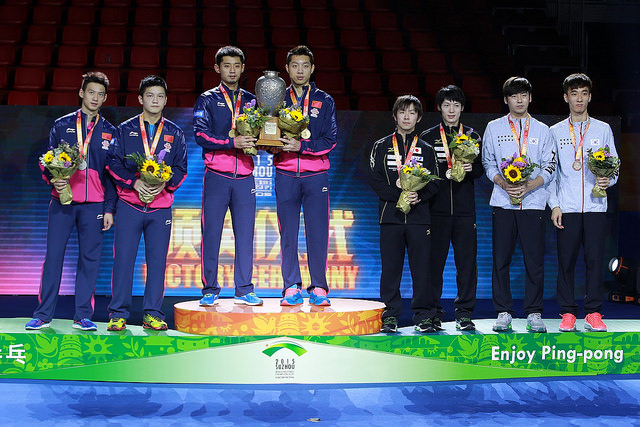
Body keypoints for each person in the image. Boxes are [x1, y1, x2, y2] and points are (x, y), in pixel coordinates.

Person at [26, 72, 117, 331]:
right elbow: (46, 161)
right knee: (53, 257)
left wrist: (109, 208)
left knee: (90, 260)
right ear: (81, 93)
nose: (95, 98)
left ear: (105, 98)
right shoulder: (61, 125)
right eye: (91, 92)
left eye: (100, 94)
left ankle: (83, 316)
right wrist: (52, 180)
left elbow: (111, 176)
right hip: (62, 202)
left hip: (94, 205)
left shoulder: (110, 132)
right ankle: (43, 315)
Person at [106, 75, 187, 331]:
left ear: (165, 100)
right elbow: (112, 163)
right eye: (150, 96)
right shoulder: (125, 129)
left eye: (160, 96)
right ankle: (118, 313)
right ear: (141, 99)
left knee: (157, 262)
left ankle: (152, 313)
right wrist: (134, 183)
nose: (155, 100)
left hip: (160, 207)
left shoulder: (175, 132)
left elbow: (181, 169)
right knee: (123, 261)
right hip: (130, 205)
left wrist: (164, 184)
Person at [482, 76, 555, 333]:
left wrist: (530, 185)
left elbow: (549, 166)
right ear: (506, 100)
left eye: (523, 95)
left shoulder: (543, 130)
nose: (519, 100)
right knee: (501, 259)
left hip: (534, 203)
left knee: (534, 261)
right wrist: (503, 183)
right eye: (514, 96)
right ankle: (503, 311)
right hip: (503, 203)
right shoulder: (493, 128)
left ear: (530, 98)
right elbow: (488, 163)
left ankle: (534, 312)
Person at [548, 73, 619, 332]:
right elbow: (550, 173)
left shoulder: (602, 129)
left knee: (594, 260)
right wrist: (554, 205)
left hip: (595, 207)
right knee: (565, 261)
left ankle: (593, 312)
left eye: (584, 93)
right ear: (566, 97)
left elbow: (615, 165)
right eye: (574, 93)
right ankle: (567, 312)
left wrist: (608, 181)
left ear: (590, 96)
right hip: (566, 207)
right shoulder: (554, 132)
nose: (579, 98)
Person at [193, 46, 262, 307]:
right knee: (211, 233)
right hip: (217, 175)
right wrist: (232, 142)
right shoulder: (206, 100)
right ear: (217, 68)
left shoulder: (252, 101)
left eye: (236, 65)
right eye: (226, 65)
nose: (231, 70)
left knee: (245, 234)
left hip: (245, 176)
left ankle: (244, 288)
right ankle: (210, 288)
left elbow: (262, 134)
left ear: (243, 68)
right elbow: (201, 135)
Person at [368, 95, 440, 333]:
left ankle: (423, 315)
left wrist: (419, 196)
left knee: (422, 268)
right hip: (391, 216)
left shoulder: (428, 149)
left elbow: (435, 183)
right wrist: (396, 192)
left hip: (420, 218)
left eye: (412, 112)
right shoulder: (381, 146)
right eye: (402, 112)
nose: (407, 116)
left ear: (419, 117)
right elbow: (375, 179)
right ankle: (390, 314)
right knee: (391, 268)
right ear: (395, 115)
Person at [275, 45, 338, 307]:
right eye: (294, 65)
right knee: (287, 232)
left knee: (318, 231)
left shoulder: (325, 100)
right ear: (287, 69)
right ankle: (291, 285)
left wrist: (301, 147)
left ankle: (319, 286)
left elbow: (330, 140)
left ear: (312, 69)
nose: (300, 70)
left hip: (316, 175)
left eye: (305, 65)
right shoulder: (276, 99)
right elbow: (267, 134)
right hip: (285, 173)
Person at [419, 85, 482, 331]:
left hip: (466, 212)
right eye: (446, 105)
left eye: (456, 105)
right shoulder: (427, 137)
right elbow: (421, 172)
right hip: (436, 211)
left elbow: (481, 170)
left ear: (462, 108)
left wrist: (470, 170)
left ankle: (464, 312)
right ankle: (433, 311)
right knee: (433, 264)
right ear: (439, 108)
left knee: (467, 265)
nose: (451, 109)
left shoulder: (473, 136)